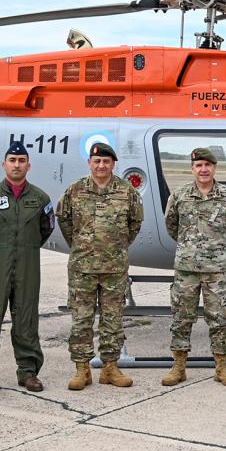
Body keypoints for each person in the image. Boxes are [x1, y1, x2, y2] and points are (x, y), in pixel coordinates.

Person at [0, 141, 55, 397]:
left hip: (27, 266)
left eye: (22, 161)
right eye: (12, 161)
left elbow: (44, 230)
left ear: (29, 165)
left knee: (26, 319)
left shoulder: (40, 199)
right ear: (4, 164)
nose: (17, 165)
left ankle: (28, 372)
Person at [56, 142, 144, 391]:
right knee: (81, 319)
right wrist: (82, 245)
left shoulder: (127, 191)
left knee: (112, 320)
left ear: (113, 164)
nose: (101, 165)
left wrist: (116, 246)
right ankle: (82, 368)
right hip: (82, 267)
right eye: (97, 161)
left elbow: (134, 223)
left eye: (106, 161)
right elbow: (64, 220)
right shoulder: (75, 190)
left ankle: (110, 367)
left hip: (114, 268)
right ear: (90, 164)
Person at [161, 147, 226, 388]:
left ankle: (222, 366)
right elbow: (171, 226)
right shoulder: (179, 195)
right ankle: (179, 366)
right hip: (186, 269)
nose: (203, 169)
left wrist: (214, 247)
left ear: (214, 168)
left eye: (208, 165)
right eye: (198, 165)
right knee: (181, 317)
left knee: (219, 319)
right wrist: (191, 247)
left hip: (215, 270)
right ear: (192, 168)